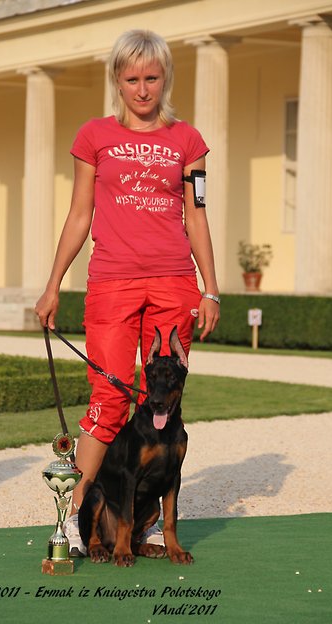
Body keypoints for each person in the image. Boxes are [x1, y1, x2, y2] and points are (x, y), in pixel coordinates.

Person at [35, 29, 220, 556]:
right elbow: (79, 214)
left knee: (162, 394)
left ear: (166, 79)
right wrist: (53, 285)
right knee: (109, 399)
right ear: (117, 79)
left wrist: (211, 289)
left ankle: (152, 524)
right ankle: (76, 522)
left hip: (173, 284)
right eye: (132, 78)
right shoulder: (94, 135)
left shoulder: (188, 141)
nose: (142, 89)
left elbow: (197, 216)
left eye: (152, 78)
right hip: (111, 283)